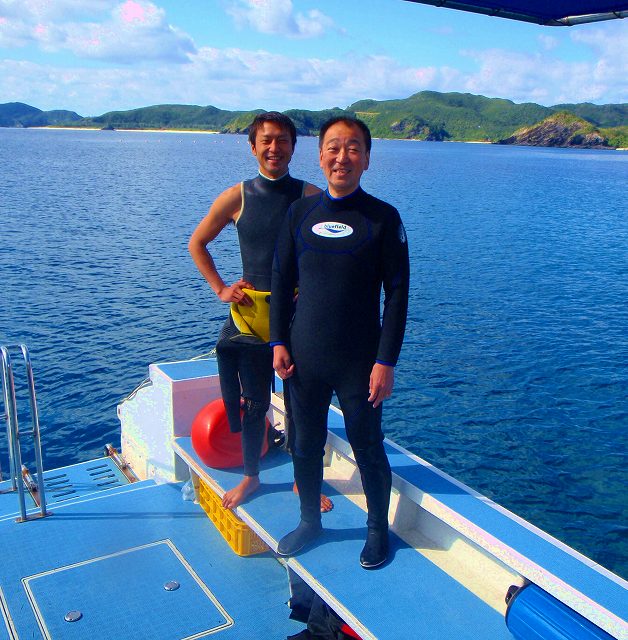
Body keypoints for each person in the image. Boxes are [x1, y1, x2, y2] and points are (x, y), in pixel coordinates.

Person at [270, 116, 409, 569]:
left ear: (367, 159)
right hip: (304, 356)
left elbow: (398, 294)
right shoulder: (300, 213)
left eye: (353, 148)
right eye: (333, 147)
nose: (342, 157)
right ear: (320, 156)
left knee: (367, 446)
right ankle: (309, 521)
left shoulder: (383, 218)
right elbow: (280, 279)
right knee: (304, 443)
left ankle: (377, 530)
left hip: (360, 361)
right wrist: (277, 341)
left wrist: (386, 361)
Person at [189, 112, 332, 511]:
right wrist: (221, 288)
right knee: (253, 404)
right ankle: (252, 476)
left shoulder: (310, 196)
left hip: (296, 317)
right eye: (266, 140)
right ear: (253, 146)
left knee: (302, 404)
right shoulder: (237, 197)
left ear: (293, 147)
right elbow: (197, 243)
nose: (274, 148)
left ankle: (304, 479)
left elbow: (330, 254)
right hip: (250, 316)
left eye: (283, 140)